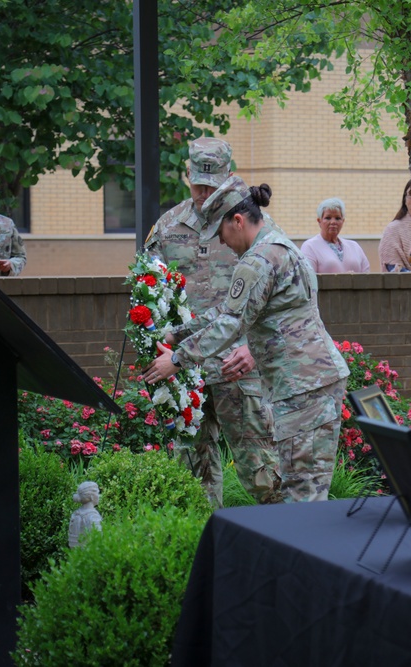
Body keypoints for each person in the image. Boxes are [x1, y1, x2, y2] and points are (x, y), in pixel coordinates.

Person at [144, 176, 350, 503]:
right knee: (310, 492)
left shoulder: (257, 260)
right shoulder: (278, 245)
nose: (222, 244)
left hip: (301, 387)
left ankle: (308, 553)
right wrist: (176, 332)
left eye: (221, 234)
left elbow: (231, 324)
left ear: (238, 221)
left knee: (301, 496)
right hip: (313, 381)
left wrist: (177, 358)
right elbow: (229, 310)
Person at [143, 137, 271, 508]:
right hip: (185, 370)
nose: (203, 193)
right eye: (198, 183)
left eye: (211, 185)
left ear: (229, 177)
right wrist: (155, 339)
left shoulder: (248, 223)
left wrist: (253, 349)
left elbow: (274, 293)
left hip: (237, 367)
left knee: (261, 470)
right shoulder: (168, 227)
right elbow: (149, 290)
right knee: (192, 473)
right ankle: (203, 550)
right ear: (187, 176)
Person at [300, 197, 370, 273]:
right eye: (328, 218)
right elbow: (309, 280)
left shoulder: (354, 246)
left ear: (343, 221)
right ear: (319, 221)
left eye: (337, 218)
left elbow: (367, 278)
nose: (333, 222)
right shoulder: (310, 247)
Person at [67, 481, 102, 548]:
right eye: (97, 493)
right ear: (92, 496)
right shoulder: (93, 516)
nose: (99, 496)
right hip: (88, 555)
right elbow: (98, 539)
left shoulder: (75, 514)